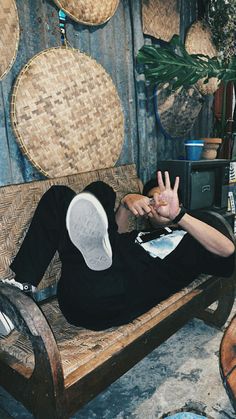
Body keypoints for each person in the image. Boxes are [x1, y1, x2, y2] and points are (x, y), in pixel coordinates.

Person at [0, 171, 235, 335]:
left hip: (114, 299)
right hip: (74, 295)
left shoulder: (191, 242)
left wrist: (178, 216)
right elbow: (113, 239)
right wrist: (124, 205)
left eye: (163, 200)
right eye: (152, 200)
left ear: (178, 203)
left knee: (100, 192)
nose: (157, 205)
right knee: (61, 195)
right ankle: (20, 291)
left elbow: (228, 251)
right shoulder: (138, 236)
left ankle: (97, 266)